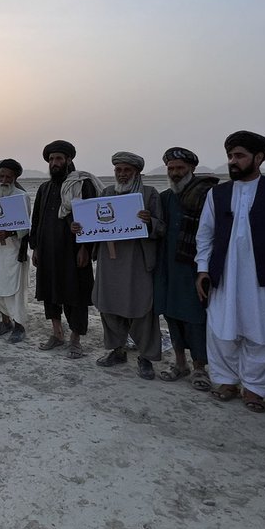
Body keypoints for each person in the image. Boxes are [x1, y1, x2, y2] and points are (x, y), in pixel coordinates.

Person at [195, 131, 265, 413]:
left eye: (240, 155)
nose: (233, 161)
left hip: (264, 278)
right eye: (231, 156)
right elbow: (204, 235)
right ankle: (227, 381)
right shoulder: (217, 194)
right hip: (224, 277)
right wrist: (202, 270)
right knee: (221, 330)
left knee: (263, 330)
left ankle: (255, 388)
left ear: (259, 158)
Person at [86, 152, 164, 380]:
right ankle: (117, 350)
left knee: (141, 309)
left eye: (127, 170)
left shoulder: (149, 194)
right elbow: (94, 224)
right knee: (108, 305)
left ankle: (146, 357)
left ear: (136, 172)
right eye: (118, 170)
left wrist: (150, 221)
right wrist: (81, 229)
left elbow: (162, 228)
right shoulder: (107, 194)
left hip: (137, 262)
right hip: (109, 262)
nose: (122, 175)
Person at [30, 140, 102, 359]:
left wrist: (84, 249)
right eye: (51, 159)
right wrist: (35, 248)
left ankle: (75, 339)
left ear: (69, 160)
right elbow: (37, 220)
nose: (54, 163)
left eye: (59, 158)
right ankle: (57, 334)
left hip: (73, 253)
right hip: (48, 251)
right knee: (50, 294)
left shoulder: (81, 185)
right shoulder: (45, 188)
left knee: (75, 295)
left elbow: (90, 219)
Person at [153, 148, 217, 387]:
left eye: (180, 168)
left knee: (195, 318)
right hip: (167, 267)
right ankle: (181, 363)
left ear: (191, 169)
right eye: (171, 169)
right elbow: (158, 229)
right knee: (171, 314)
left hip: (194, 269)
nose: (176, 173)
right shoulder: (164, 198)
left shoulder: (207, 195)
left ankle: (200, 367)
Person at [0, 160, 32, 343]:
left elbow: (26, 227)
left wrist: (10, 232)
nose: (3, 180)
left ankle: (19, 326)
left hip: (13, 251)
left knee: (14, 291)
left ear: (15, 177)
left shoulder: (21, 196)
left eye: (8, 177)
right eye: (1, 176)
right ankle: (5, 322)